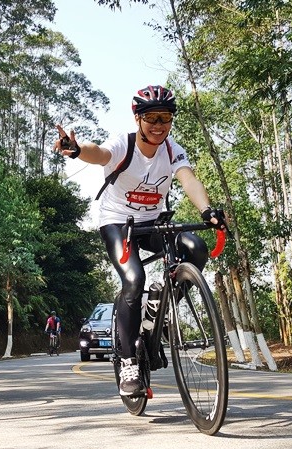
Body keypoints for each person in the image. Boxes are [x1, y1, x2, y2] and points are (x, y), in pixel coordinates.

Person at [54, 84, 225, 396]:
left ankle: (165, 301)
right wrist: (78, 151)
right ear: (138, 119)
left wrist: (208, 210)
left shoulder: (172, 149)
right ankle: (129, 361)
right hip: (117, 222)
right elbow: (99, 154)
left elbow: (188, 178)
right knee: (134, 280)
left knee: (196, 249)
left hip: (154, 222)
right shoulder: (124, 144)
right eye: (151, 118)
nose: (159, 125)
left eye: (165, 118)